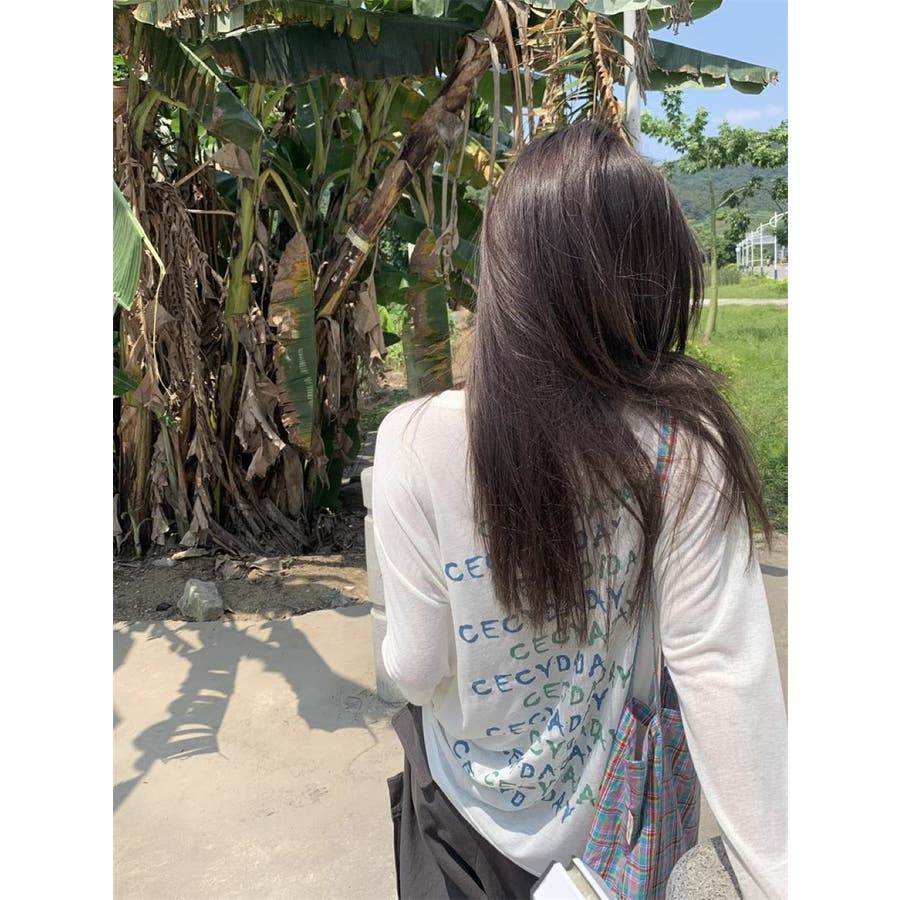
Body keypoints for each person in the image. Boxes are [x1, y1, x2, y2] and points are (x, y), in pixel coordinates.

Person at [372, 121, 787, 900]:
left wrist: (392, 655)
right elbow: (722, 670)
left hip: (461, 823)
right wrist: (780, 875)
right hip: (614, 837)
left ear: (505, 279)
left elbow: (417, 669)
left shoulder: (414, 440)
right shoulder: (681, 447)